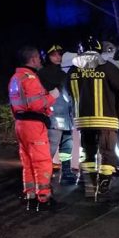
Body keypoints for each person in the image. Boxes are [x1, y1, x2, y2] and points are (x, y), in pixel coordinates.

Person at [66, 36, 119, 201]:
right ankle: (103, 190)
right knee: (107, 153)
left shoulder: (72, 70)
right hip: (106, 120)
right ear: (99, 50)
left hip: (83, 120)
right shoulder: (106, 67)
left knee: (88, 154)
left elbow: (67, 91)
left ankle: (90, 187)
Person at [8, 46, 59, 210]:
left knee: (28, 162)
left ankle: (31, 196)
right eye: (38, 57)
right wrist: (53, 96)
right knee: (42, 161)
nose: (40, 60)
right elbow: (37, 104)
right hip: (33, 125)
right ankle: (44, 198)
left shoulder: (16, 77)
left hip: (21, 124)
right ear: (33, 59)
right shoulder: (30, 78)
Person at [37, 44, 76, 185]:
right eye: (54, 54)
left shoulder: (63, 74)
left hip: (66, 115)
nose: (58, 57)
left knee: (67, 145)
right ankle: (43, 176)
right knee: (51, 147)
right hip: (53, 117)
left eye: (59, 54)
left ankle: (66, 172)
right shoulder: (42, 74)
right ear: (46, 57)